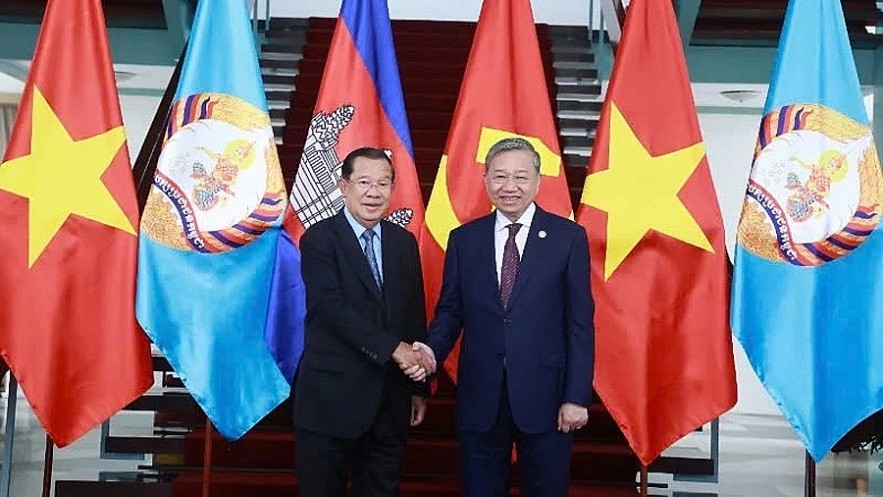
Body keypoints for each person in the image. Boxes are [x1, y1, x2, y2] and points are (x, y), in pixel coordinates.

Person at [408, 137, 594, 497]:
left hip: (548, 398)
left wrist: (576, 396)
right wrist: (430, 352)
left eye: (521, 177)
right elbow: (451, 310)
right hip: (481, 396)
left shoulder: (567, 238)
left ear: (538, 181)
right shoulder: (464, 239)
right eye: (500, 176)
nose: (510, 187)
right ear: (486, 179)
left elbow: (580, 323)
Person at [293, 147, 431, 497]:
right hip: (330, 402)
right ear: (343, 186)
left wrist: (417, 386)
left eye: (383, 183)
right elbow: (331, 308)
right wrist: (393, 349)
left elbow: (413, 313)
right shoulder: (319, 239)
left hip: (390, 401)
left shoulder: (403, 243)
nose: (374, 193)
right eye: (364, 182)